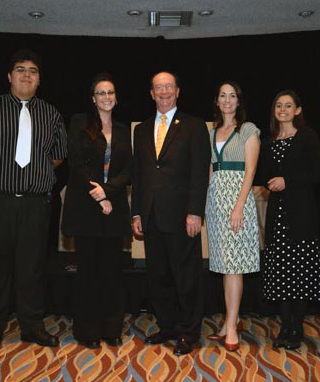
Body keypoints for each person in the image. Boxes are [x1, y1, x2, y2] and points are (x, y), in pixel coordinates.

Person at [0, 49, 67, 353]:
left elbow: (58, 155)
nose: (26, 75)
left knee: (31, 269)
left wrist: (33, 174)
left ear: (39, 79)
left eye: (33, 71)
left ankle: (32, 328)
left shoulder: (51, 113)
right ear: (9, 76)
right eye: (20, 69)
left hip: (35, 204)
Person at [131, 71, 211, 356]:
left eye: (168, 86)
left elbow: (200, 174)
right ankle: (167, 326)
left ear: (178, 91)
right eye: (158, 88)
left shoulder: (194, 126)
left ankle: (189, 332)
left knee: (186, 277)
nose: (163, 91)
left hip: (182, 217)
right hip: (150, 216)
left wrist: (194, 212)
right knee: (158, 277)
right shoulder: (140, 130)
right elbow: (139, 176)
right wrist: (136, 214)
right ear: (151, 94)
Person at [61, 73, 132, 349]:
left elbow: (129, 169)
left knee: (112, 273)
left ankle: (111, 328)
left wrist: (109, 191)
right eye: (101, 93)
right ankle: (87, 331)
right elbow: (77, 164)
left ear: (116, 97)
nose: (106, 97)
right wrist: (100, 196)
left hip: (114, 208)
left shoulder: (125, 130)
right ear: (93, 98)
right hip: (87, 210)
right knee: (88, 274)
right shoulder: (80, 122)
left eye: (110, 92)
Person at [258, 90, 320, 350]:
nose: (283, 110)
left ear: (298, 110)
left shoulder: (307, 137)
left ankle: (297, 327)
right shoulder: (268, 141)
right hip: (277, 214)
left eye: (288, 105)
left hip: (303, 214)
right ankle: (285, 325)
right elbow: (264, 175)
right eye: (278, 105)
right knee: (281, 273)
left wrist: (288, 182)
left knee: (300, 273)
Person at [205, 81, 260, 352]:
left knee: (234, 266)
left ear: (239, 101)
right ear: (217, 100)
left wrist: (238, 207)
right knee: (225, 266)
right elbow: (209, 172)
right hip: (215, 203)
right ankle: (230, 322)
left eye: (232, 96)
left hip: (238, 203)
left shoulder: (248, 130)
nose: (227, 100)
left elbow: (250, 171)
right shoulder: (212, 131)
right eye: (223, 96)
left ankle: (232, 328)